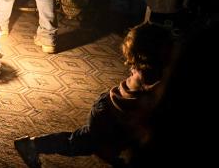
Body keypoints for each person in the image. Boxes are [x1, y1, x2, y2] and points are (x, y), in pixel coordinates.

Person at [14, 22, 174, 168]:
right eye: (168, 50)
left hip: (115, 113)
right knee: (78, 144)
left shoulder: (148, 70)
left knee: (95, 142)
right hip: (107, 115)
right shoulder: (146, 76)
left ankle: (33, 145)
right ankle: (31, 145)